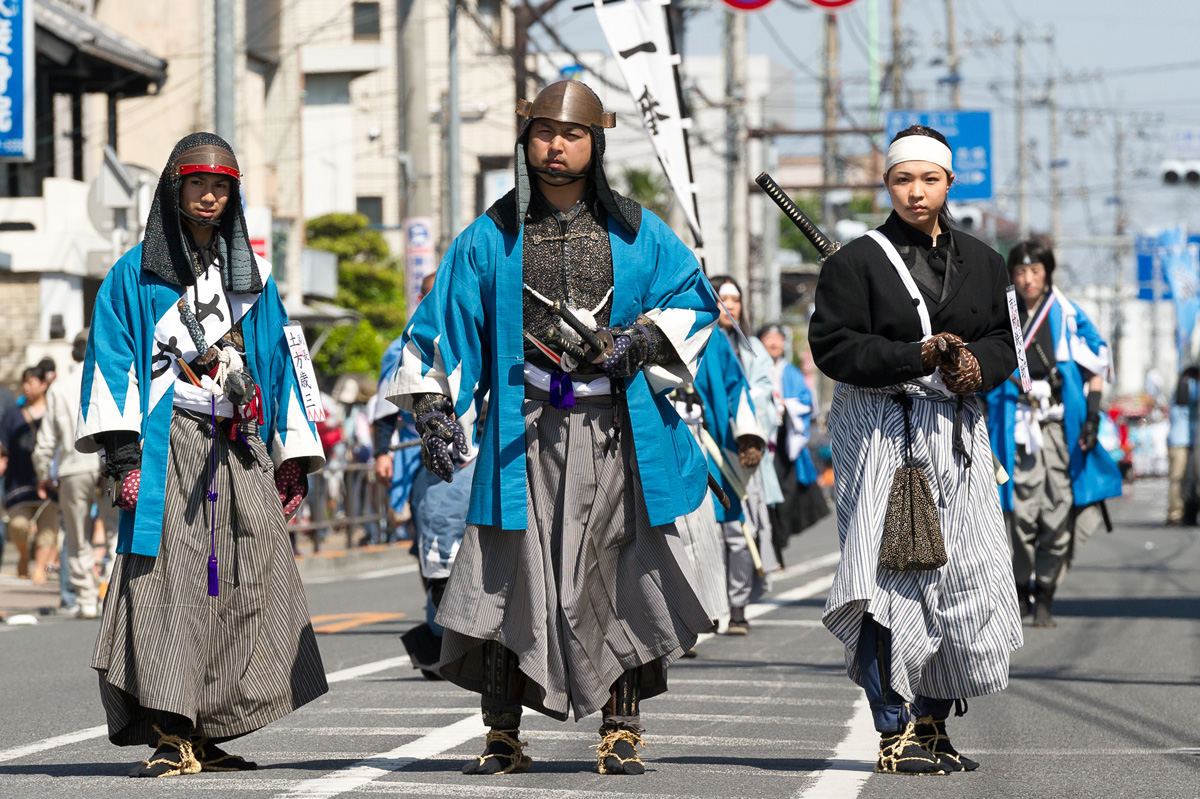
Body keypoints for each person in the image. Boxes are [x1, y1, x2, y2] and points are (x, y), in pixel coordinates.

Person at [386, 80, 719, 776]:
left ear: (596, 143)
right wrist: (432, 405)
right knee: (510, 576)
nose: (556, 146)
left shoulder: (639, 231)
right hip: (522, 432)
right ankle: (501, 731)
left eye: (571, 135)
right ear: (525, 137)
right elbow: (437, 328)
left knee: (625, 572)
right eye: (543, 132)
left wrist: (640, 340)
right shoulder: (490, 235)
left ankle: (622, 725)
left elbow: (695, 297)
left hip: (617, 429)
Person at [75, 133, 328, 778]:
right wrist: (126, 457)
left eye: (220, 187)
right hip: (171, 446)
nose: (209, 196)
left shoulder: (253, 282)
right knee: (166, 586)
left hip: (238, 445)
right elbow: (110, 365)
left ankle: (211, 726)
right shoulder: (132, 277)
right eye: (197, 184)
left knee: (251, 577)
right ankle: (168, 729)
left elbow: (279, 364)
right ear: (173, 188)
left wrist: (292, 455)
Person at [809, 124, 1023, 775]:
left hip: (956, 434)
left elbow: (1002, 342)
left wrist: (973, 368)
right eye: (904, 178)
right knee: (887, 579)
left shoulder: (986, 261)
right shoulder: (855, 261)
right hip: (883, 431)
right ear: (888, 185)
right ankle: (892, 726)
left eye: (929, 178)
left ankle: (932, 720)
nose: (916, 190)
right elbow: (834, 347)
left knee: (964, 575)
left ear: (949, 183)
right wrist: (914, 354)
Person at [985, 240, 1123, 627]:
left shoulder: (1067, 313)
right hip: (1012, 427)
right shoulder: (999, 316)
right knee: (1015, 514)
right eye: (1020, 272)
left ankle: (1046, 591)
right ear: (1011, 275)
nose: (1028, 279)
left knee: (1058, 512)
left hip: (1062, 428)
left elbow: (1097, 365)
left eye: (1036, 271)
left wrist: (1093, 418)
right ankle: (1019, 585)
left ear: (1047, 273)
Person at [688, 280, 779, 635]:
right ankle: (701, 609)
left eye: (733, 299)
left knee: (734, 531)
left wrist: (748, 437)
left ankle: (737, 606)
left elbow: (738, 389)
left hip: (719, 444)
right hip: (677, 441)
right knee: (690, 535)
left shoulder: (719, 343)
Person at [33, 329, 103, 618]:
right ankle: (110, 589)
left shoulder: (59, 388)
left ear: (73, 353)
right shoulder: (108, 378)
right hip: (110, 465)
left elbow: (46, 440)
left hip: (74, 468)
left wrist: (43, 473)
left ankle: (86, 597)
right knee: (112, 529)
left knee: (76, 534)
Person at [759, 323, 829, 563]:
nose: (774, 343)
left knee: (787, 493)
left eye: (778, 338)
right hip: (762, 438)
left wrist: (786, 405)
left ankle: (779, 541)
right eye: (768, 337)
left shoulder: (791, 372)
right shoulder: (755, 367)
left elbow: (805, 402)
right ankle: (772, 546)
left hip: (786, 440)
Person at [0, 365, 60, 583]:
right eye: (24, 382)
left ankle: (40, 568)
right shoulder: (12, 415)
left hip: (49, 482)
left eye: (31, 382)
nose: (26, 387)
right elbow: (2, 447)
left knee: (47, 531)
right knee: (18, 525)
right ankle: (24, 555)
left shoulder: (54, 412)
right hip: (18, 482)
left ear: (44, 384)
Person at [1166, 367, 1198, 526]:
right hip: (1180, 441)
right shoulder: (1185, 388)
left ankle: (1185, 511)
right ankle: (1175, 513)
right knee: (1178, 479)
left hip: (1192, 441)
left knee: (1188, 481)